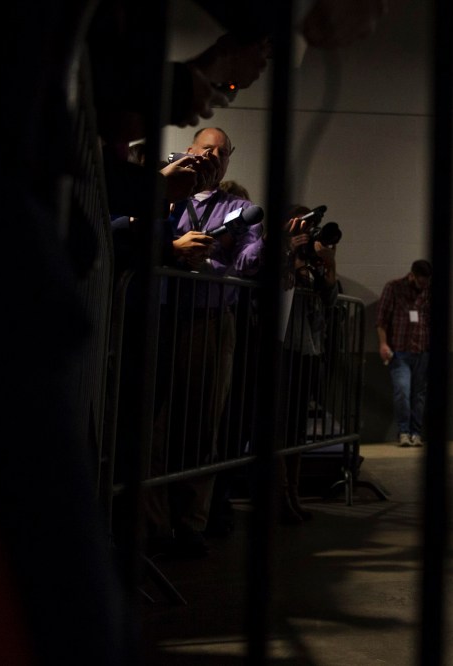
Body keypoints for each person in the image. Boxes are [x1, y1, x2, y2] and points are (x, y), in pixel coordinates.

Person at [143, 126, 264, 556]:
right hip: (157, 319)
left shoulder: (240, 208)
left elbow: (249, 261)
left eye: (222, 152)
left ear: (229, 160)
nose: (213, 156)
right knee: (151, 428)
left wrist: (232, 249)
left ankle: (190, 523)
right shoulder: (164, 196)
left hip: (209, 321)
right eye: (205, 148)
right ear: (189, 151)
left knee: (200, 426)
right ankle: (153, 525)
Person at [276, 205, 341, 523]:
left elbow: (330, 301)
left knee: (296, 432)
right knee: (278, 429)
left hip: (309, 350)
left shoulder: (314, 262)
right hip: (282, 351)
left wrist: (330, 266)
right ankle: (278, 496)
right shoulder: (277, 255)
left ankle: (292, 495)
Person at [376, 260, 432, 447]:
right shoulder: (394, 288)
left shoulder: (428, 291)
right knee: (402, 391)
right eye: (421, 281)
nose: (423, 286)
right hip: (400, 351)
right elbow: (382, 318)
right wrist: (383, 344)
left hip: (422, 350)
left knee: (419, 395)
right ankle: (404, 431)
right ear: (412, 275)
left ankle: (416, 433)